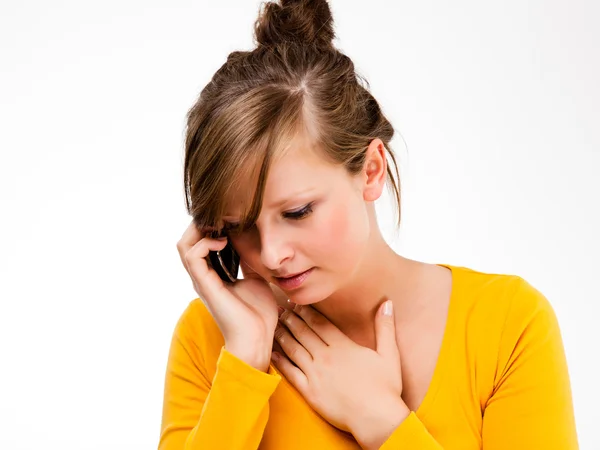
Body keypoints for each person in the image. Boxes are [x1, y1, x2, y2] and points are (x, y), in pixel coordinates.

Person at [157, 0, 578, 448]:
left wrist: (379, 419)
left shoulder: (506, 327)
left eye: (298, 212)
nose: (271, 254)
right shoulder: (213, 338)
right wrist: (243, 363)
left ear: (371, 170)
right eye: (240, 225)